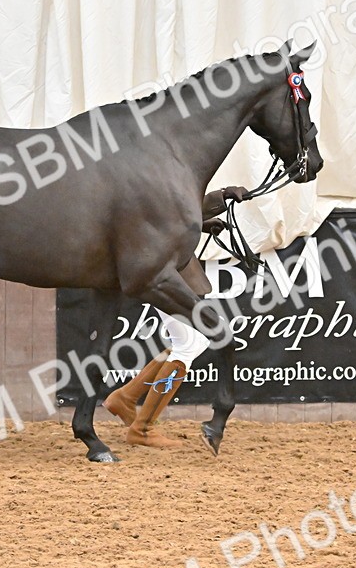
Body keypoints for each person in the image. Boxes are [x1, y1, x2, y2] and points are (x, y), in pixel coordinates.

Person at [104, 185, 249, 447]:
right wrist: (223, 196)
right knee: (191, 344)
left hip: (163, 268)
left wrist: (202, 223)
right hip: (164, 272)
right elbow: (169, 209)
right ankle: (143, 428)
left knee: (190, 342)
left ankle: (125, 398)